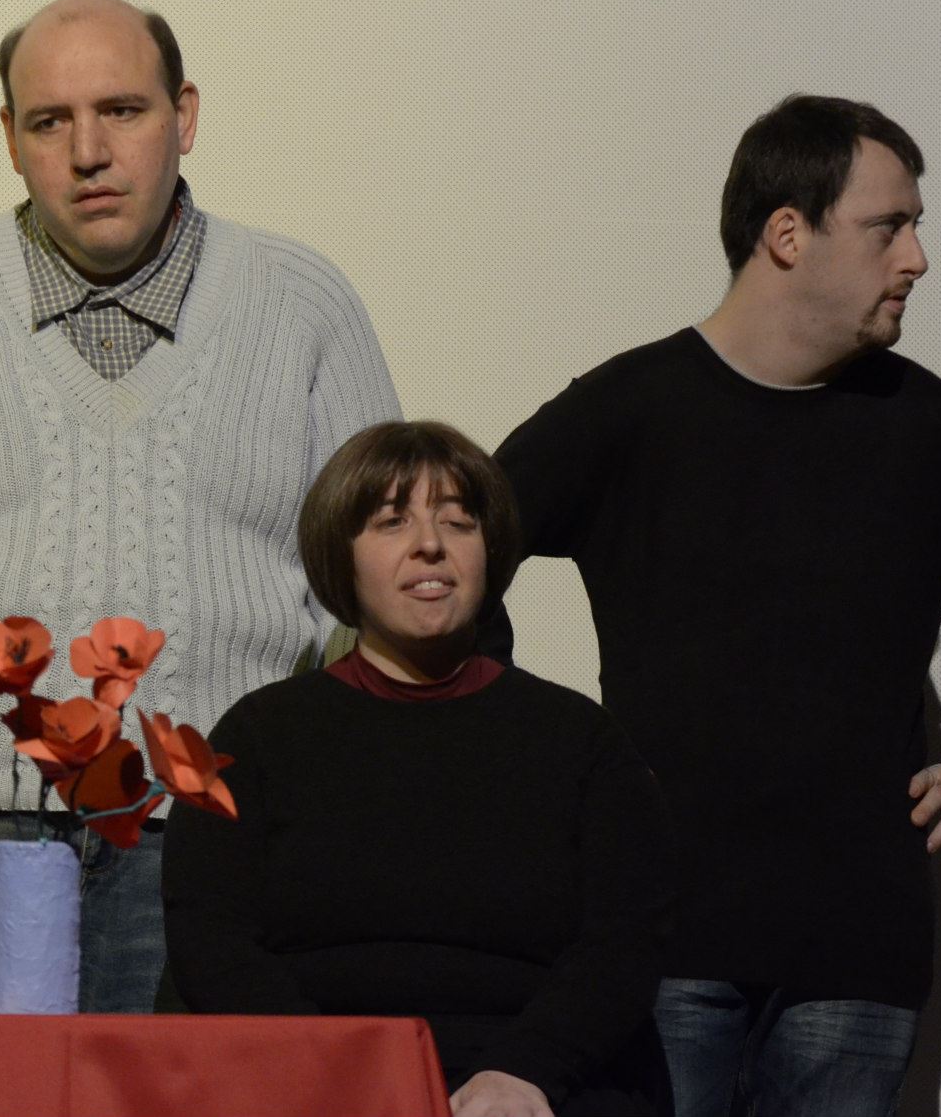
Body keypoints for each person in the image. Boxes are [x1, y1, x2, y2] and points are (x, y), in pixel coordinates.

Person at [486, 95, 941, 1117]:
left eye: (914, 227)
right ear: (787, 233)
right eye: (887, 226)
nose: (916, 258)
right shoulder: (631, 410)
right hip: (660, 937)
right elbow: (465, 552)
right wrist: (521, 757)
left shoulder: (930, 429)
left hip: (854, 951)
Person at [0, 0, 399, 1013]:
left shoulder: (302, 306)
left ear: (185, 116)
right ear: (9, 138)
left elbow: (368, 595)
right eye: (50, 121)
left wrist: (320, 817)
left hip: (211, 838)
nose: (88, 151)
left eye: (122, 110)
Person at [164, 421, 674, 1117]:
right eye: (391, 521)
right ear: (340, 555)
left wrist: (524, 1071)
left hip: (536, 1083)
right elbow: (210, 938)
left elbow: (625, 942)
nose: (430, 543)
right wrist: (334, 1071)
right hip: (313, 1078)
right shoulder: (256, 737)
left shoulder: (582, 741)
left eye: (458, 522)